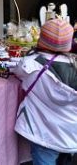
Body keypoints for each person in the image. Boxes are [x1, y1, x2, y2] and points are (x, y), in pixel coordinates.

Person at [11, 19, 77, 165]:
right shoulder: (74, 65)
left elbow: (17, 71)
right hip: (70, 133)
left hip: (43, 133)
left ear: (41, 40)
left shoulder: (30, 64)